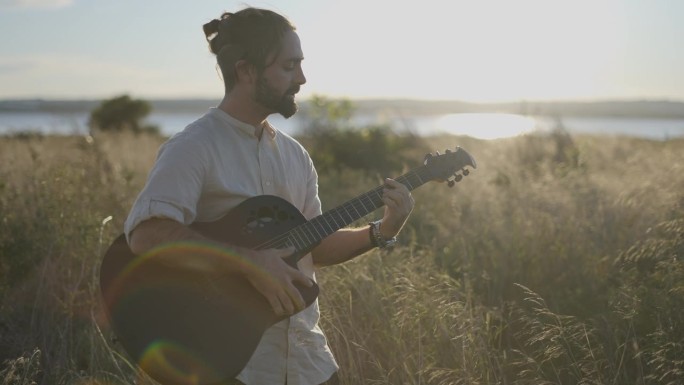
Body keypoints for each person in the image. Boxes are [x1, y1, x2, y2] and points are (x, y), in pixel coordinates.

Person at [123, 7, 414, 385]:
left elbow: (316, 247)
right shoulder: (193, 147)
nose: (302, 78)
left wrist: (383, 230)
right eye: (289, 66)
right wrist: (248, 261)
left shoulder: (295, 156)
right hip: (233, 366)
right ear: (246, 71)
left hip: (310, 363)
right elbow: (146, 235)